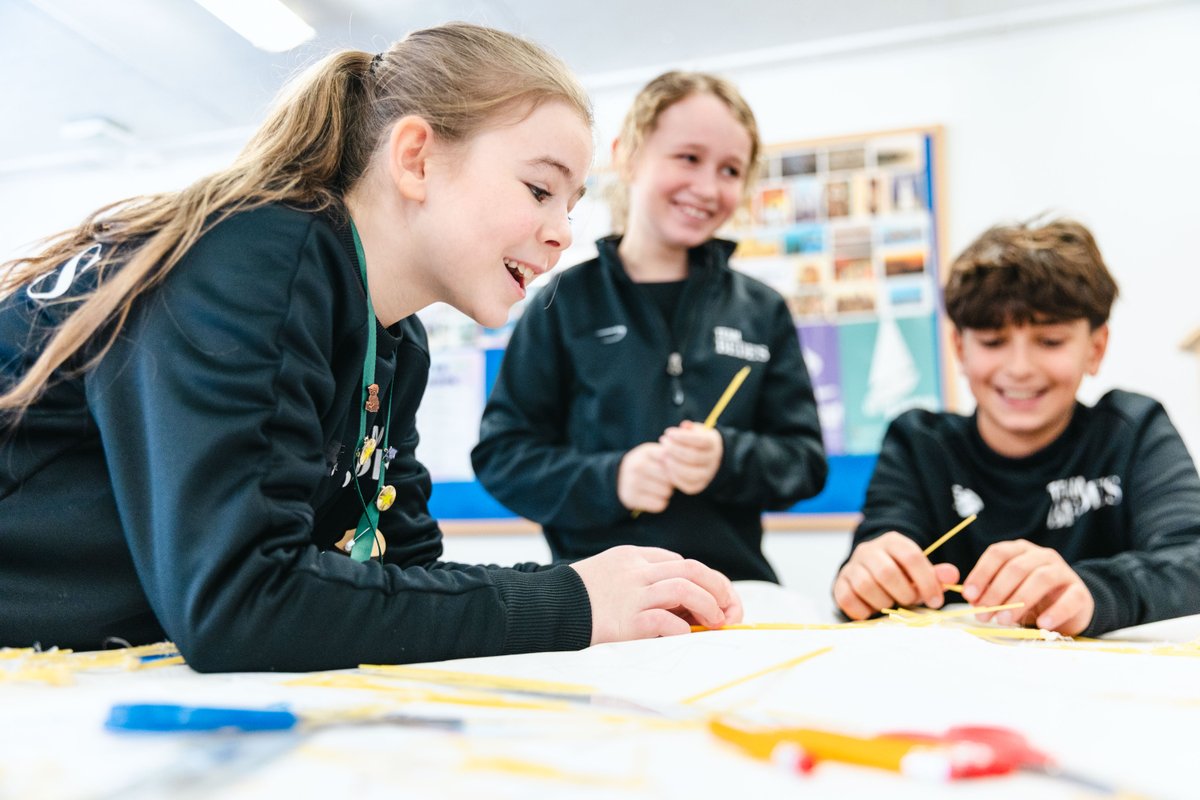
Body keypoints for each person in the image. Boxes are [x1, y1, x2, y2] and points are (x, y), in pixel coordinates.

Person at [0, 24, 742, 672]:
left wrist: (598, 598)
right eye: (540, 190)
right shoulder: (256, 254)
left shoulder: (393, 339)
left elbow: (402, 571)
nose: (562, 233)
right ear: (415, 157)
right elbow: (241, 602)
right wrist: (572, 601)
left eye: (573, 206)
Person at [471, 71, 828, 583]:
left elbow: (805, 462)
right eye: (688, 158)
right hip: (596, 598)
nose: (707, 187)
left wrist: (727, 459)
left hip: (735, 592)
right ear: (629, 155)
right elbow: (504, 457)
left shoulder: (762, 309)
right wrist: (613, 478)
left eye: (730, 170)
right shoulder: (561, 302)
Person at [833, 218, 1200, 636]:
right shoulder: (919, 444)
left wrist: (1094, 590)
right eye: (992, 342)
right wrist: (868, 576)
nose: (1020, 369)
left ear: (1095, 349)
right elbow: (870, 564)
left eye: (1050, 342)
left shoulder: (1133, 431)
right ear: (960, 348)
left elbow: (1193, 558)